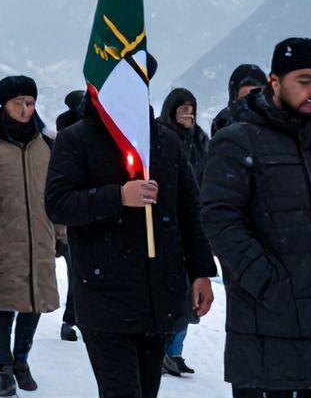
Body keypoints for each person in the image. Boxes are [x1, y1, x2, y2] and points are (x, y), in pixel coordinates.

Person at [200, 38, 311, 398]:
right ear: (275, 81)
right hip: (268, 325)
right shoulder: (239, 140)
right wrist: (269, 282)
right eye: (304, 80)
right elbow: (219, 219)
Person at [46, 56, 218, 398]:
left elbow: (189, 210)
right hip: (103, 297)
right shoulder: (75, 140)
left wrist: (200, 271)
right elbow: (58, 204)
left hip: (157, 297)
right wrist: (116, 197)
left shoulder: (165, 142)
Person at [0, 76, 60, 396]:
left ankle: (21, 360)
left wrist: (59, 233)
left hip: (39, 241)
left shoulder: (45, 145)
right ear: (4, 105)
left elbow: (54, 194)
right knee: (3, 309)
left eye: (30, 102)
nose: (25, 109)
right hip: (2, 241)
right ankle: (3, 368)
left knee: (33, 304)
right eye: (18, 102)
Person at [156, 86, 210, 377]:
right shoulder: (163, 139)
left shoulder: (200, 141)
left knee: (194, 291)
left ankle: (175, 351)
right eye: (183, 108)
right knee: (174, 291)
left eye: (192, 108)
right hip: (169, 224)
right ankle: (164, 348)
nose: (188, 114)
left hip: (194, 221)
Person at [53, 89, 85, 342]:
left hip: (73, 216)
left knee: (79, 272)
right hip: (71, 219)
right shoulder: (69, 134)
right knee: (79, 271)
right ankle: (72, 319)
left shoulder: (64, 133)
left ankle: (73, 319)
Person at [210, 63, 267, 137]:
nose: (250, 101)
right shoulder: (223, 123)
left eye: (256, 93)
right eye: (245, 96)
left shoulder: (277, 120)